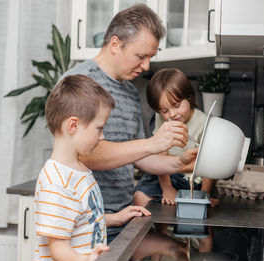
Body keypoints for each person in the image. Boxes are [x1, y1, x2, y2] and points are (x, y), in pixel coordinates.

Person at [60, 4, 197, 242]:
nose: (146, 66)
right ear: (115, 44)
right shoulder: (77, 85)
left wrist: (177, 162)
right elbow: (84, 155)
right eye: (141, 56)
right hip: (83, 226)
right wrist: (153, 143)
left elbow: (136, 155)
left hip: (124, 219)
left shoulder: (132, 94)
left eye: (150, 58)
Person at [34, 74, 151, 261]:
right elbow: (58, 250)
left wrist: (115, 218)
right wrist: (88, 260)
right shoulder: (57, 183)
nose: (102, 136)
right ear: (73, 126)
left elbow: (82, 219)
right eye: (99, 128)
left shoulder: (79, 169)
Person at [133, 68, 214, 207]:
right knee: (140, 197)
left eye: (176, 106)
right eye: (164, 111)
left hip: (192, 180)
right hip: (165, 173)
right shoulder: (162, 119)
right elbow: (161, 154)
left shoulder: (205, 122)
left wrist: (205, 195)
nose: (172, 114)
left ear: (189, 97)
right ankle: (160, 230)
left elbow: (210, 166)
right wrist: (167, 188)